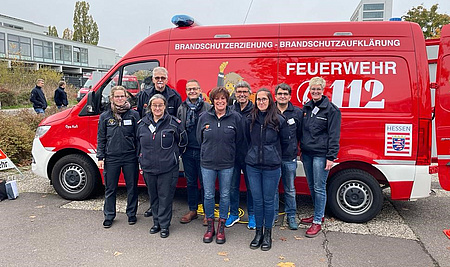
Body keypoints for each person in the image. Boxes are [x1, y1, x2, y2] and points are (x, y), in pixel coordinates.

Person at [197, 86, 244, 244]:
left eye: (223, 98)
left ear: (227, 100)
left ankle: (221, 227)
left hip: (227, 164)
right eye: (217, 98)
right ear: (213, 100)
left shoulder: (235, 117)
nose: (220, 101)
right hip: (207, 164)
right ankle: (210, 227)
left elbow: (240, 140)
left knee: (225, 196)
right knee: (209, 195)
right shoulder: (204, 117)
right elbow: (200, 139)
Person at [245, 88, 290, 251]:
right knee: (257, 201)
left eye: (264, 99)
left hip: (272, 167)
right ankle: (258, 233)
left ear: (270, 101)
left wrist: (275, 156)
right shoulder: (250, 119)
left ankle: (268, 234)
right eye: (258, 99)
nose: (261, 102)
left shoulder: (279, 120)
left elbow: (286, 142)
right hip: (253, 167)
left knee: (269, 201)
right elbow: (246, 140)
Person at [137, 94, 187, 238]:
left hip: (168, 168)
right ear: (150, 107)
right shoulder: (142, 123)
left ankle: (164, 225)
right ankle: (156, 223)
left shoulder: (173, 123)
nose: (157, 108)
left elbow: (183, 142)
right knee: (153, 196)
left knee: (165, 197)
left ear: (165, 106)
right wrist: (141, 159)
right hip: (148, 167)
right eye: (155, 105)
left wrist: (174, 156)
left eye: (160, 105)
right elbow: (137, 144)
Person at [136, 67, 181, 218]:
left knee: (165, 188)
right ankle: (154, 210)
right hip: (150, 146)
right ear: (153, 79)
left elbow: (178, 124)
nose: (160, 80)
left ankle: (164, 213)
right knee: (152, 187)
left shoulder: (174, 96)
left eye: (162, 78)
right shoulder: (144, 95)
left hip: (166, 147)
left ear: (167, 79)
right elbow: (141, 118)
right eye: (157, 78)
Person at [300, 77, 341, 238]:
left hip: (321, 155)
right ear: (309, 90)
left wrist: (331, 157)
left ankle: (317, 221)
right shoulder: (307, 107)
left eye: (318, 89)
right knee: (311, 185)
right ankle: (318, 214)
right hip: (307, 154)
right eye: (312, 89)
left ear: (323, 90)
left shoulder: (331, 110)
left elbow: (334, 135)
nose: (315, 92)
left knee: (319, 187)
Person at [97, 86, 140, 229]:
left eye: (122, 96)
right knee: (110, 188)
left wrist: (139, 156)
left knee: (132, 187)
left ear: (126, 97)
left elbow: (138, 138)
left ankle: (131, 213)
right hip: (111, 157)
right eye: (117, 96)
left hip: (130, 157)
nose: (120, 99)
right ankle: (109, 215)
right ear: (112, 98)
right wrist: (100, 157)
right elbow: (101, 138)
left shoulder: (133, 115)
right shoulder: (105, 116)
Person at [177, 80, 211, 225]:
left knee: (205, 183)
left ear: (200, 90)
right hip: (187, 151)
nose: (192, 91)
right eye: (189, 89)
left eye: (195, 88)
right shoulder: (182, 108)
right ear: (186, 91)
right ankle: (192, 210)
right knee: (190, 182)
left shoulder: (207, 107)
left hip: (204, 151)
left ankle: (206, 212)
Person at [226, 81, 255, 229]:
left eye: (245, 91)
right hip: (233, 155)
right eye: (239, 92)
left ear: (249, 93)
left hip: (250, 156)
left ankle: (252, 215)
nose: (242, 94)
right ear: (235, 94)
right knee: (232, 187)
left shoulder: (255, 110)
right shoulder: (230, 110)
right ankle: (234, 214)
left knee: (251, 187)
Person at [274, 83, 303, 230]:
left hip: (289, 157)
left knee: (290, 189)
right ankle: (273, 216)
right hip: (272, 157)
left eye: (285, 94)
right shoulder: (269, 110)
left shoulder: (297, 113)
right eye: (280, 94)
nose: (282, 96)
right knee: (273, 189)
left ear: (290, 96)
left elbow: (300, 135)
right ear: (275, 96)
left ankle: (291, 216)